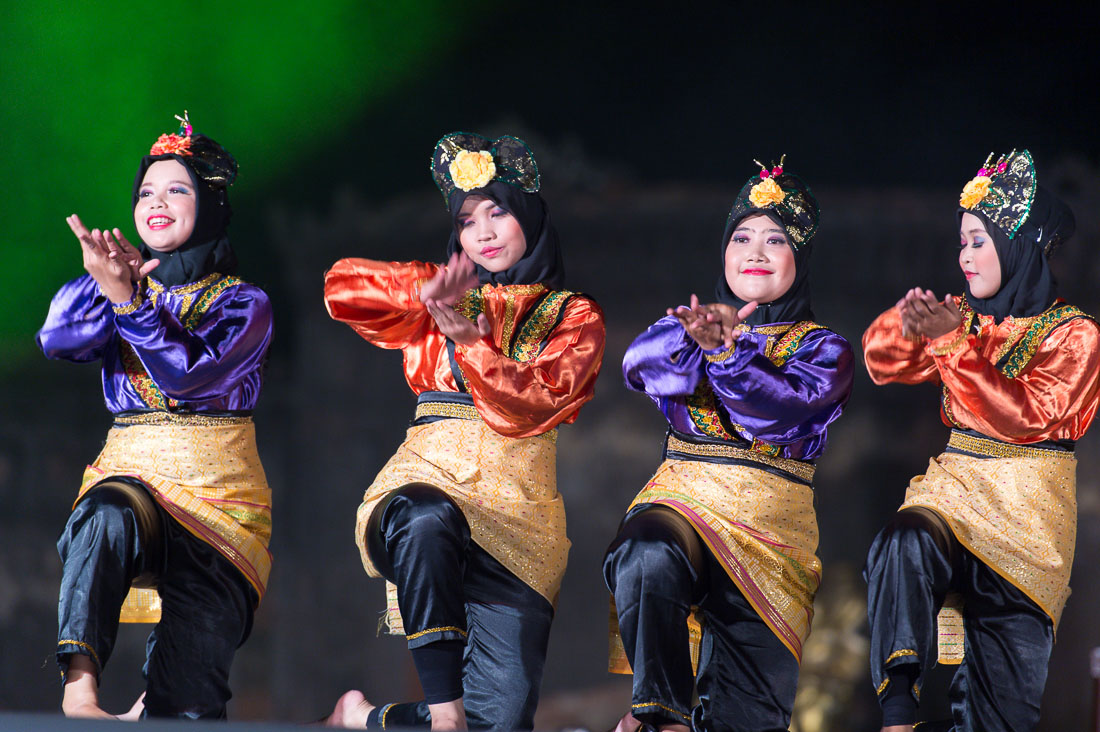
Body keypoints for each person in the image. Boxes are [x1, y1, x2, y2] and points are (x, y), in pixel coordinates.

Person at [322, 132, 606, 730]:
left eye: (498, 212)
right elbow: (340, 287)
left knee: (498, 722)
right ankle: (445, 712)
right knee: (428, 518)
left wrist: (473, 345)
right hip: (422, 487)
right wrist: (422, 296)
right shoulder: (441, 287)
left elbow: (533, 405)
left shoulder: (573, 314)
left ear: (528, 214)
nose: (483, 231)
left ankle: (365, 718)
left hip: (519, 523)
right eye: (467, 219)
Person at [37, 112, 273, 720]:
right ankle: (80, 691)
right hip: (134, 477)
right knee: (107, 512)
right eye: (146, 191)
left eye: (177, 189)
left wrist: (128, 302)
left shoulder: (245, 304)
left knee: (186, 711)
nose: (156, 203)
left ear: (210, 207)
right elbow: (57, 340)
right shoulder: (117, 284)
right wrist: (104, 286)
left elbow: (188, 376)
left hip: (220, 505)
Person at [603, 159, 854, 732]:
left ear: (801, 257)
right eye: (741, 236)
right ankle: (660, 713)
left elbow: (778, 414)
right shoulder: (689, 328)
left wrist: (726, 354)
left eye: (775, 239)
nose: (755, 251)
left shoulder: (826, 350)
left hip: (771, 544)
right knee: (646, 550)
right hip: (684, 505)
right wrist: (705, 339)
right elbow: (639, 368)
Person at [862, 149, 1100, 731]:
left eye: (978, 241)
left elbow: (1027, 415)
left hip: (1027, 528)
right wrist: (908, 321)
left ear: (1019, 244)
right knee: (905, 539)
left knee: (997, 716)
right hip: (954, 495)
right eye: (962, 242)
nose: (965, 257)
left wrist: (949, 347)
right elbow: (879, 362)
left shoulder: (1076, 335)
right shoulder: (964, 321)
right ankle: (897, 712)